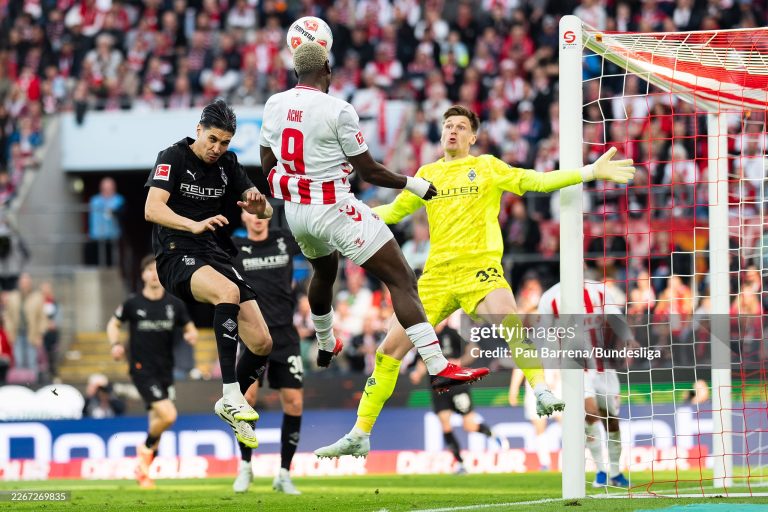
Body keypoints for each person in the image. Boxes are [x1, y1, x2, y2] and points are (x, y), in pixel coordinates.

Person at [316, 104, 635, 458]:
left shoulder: (487, 167)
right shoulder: (427, 174)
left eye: (460, 126)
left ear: (473, 136)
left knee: (509, 319)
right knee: (387, 351)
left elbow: (537, 182)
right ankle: (361, 433)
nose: (452, 131)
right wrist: (345, 217)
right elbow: (394, 212)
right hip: (436, 278)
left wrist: (591, 170)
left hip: (479, 270)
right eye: (447, 125)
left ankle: (541, 390)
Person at [258, 42, 488, 442]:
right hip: (335, 208)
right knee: (401, 279)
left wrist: (296, 185)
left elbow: (267, 165)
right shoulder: (338, 110)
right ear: (326, 69)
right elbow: (369, 172)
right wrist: (416, 183)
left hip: (297, 212)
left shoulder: (274, 104)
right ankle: (438, 364)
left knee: (324, 270)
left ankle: (326, 341)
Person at [144, 98, 273, 449]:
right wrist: (193, 224)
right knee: (227, 293)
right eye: (212, 139)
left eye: (225, 142)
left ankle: (226, 404)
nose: (218, 148)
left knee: (262, 342)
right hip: (176, 253)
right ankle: (232, 394)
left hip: (213, 253)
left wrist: (263, 208)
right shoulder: (172, 157)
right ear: (198, 130)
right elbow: (152, 209)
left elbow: (260, 207)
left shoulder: (228, 164)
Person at [107, 255, 198, 489]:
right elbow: (113, 324)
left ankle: (144, 472)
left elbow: (189, 326)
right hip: (141, 369)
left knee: (156, 421)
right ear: (143, 275)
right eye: (149, 270)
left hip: (165, 370)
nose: (154, 274)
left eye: (158, 269)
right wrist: (115, 344)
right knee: (168, 415)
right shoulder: (133, 303)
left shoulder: (174, 304)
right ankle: (144, 449)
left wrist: (191, 334)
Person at [231, 210, 303, 495]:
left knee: (294, 403)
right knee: (246, 399)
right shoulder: (234, 247)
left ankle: (284, 473)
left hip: (285, 335)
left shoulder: (285, 239)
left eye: (262, 212)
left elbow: (316, 242)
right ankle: (246, 466)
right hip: (252, 334)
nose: (258, 217)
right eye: (251, 212)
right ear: (243, 217)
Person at [537, 277, 635, 488]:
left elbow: (615, 318)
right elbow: (544, 335)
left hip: (604, 367)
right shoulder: (550, 298)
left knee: (611, 420)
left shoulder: (599, 290)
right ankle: (600, 470)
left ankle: (615, 473)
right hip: (575, 369)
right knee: (590, 414)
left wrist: (629, 339)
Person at [410, 320, 507, 474]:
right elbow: (422, 362)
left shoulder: (451, 332)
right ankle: (461, 463)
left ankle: (492, 434)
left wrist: (460, 362)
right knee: (445, 423)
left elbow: (473, 349)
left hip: (457, 385)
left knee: (469, 425)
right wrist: (417, 373)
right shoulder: (425, 338)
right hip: (438, 386)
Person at [509, 368, 561, 471]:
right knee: (539, 427)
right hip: (535, 389)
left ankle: (576, 459)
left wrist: (558, 379)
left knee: (568, 424)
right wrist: (513, 390)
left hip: (557, 387)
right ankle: (545, 463)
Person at [3, 272, 45, 381]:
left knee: (32, 361)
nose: (24, 284)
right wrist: (9, 331)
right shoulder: (13, 297)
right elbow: (8, 316)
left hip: (31, 334)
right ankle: (19, 386)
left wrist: (40, 334)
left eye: (26, 282)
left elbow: (42, 317)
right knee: (18, 361)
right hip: (17, 334)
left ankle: (32, 385)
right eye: (22, 282)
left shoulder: (37, 297)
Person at [87, 176, 125, 266]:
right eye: (105, 188)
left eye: (109, 188)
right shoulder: (95, 200)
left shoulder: (118, 199)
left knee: (111, 261)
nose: (107, 191)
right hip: (96, 236)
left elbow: (119, 211)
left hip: (112, 237)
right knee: (95, 260)